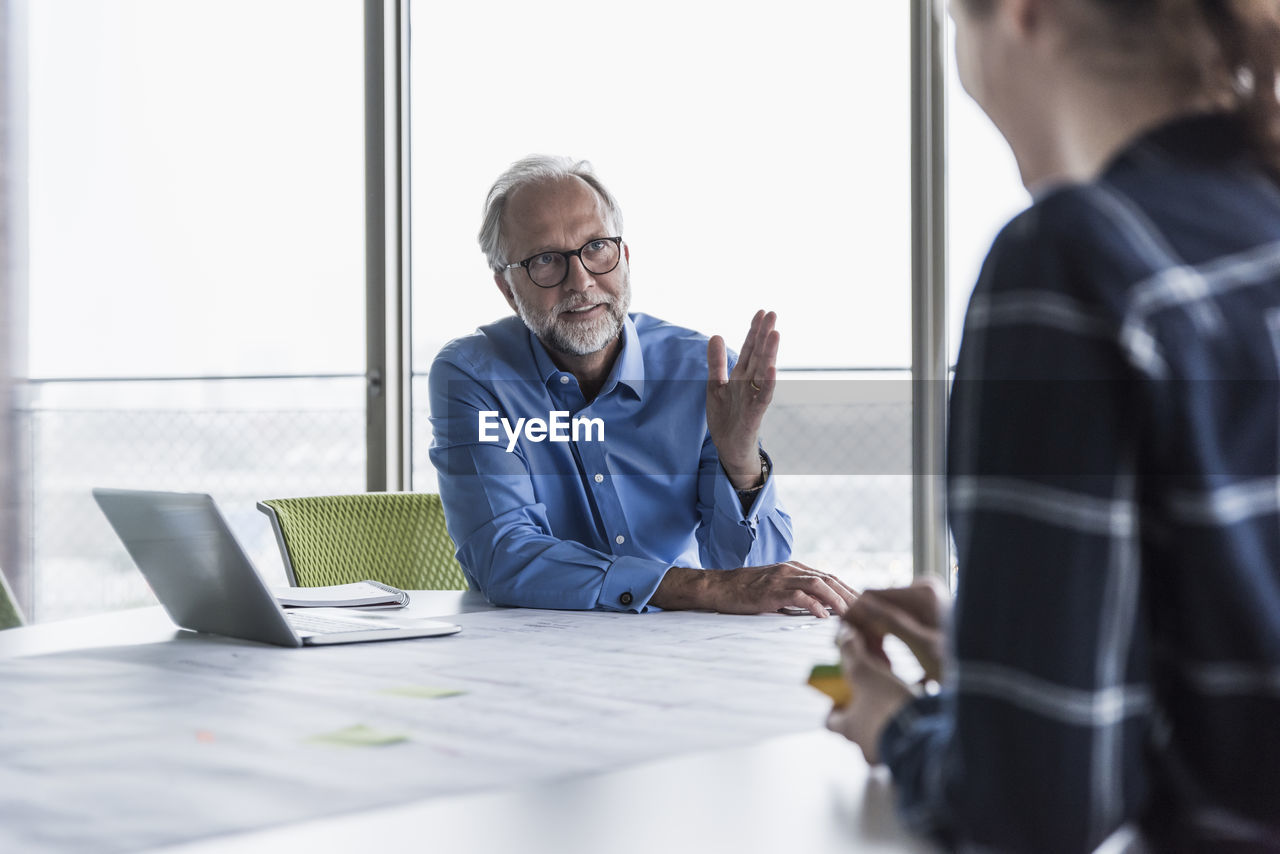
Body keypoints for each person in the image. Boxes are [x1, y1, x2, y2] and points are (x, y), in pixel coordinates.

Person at [826, 0, 1280, 851]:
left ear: (1024, 16)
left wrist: (895, 723)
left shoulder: (1071, 260)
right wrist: (1005, 657)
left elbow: (1033, 808)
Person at [429, 155, 856, 617]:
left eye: (596, 248)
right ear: (508, 289)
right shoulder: (474, 376)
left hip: (684, 652)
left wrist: (741, 461)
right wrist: (698, 589)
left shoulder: (703, 372)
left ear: (624, 258)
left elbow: (753, 574)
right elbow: (504, 556)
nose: (582, 280)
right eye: (546, 260)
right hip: (530, 654)